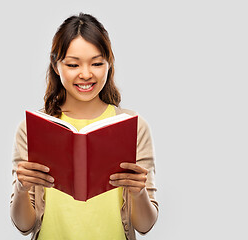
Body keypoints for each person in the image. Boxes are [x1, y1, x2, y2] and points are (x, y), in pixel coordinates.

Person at [10, 13, 158, 240]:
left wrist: (139, 193)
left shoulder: (134, 127)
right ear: (56, 65)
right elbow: (24, 226)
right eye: (73, 64)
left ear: (109, 63)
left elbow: (145, 226)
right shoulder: (32, 128)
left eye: (97, 63)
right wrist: (21, 188)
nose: (86, 74)